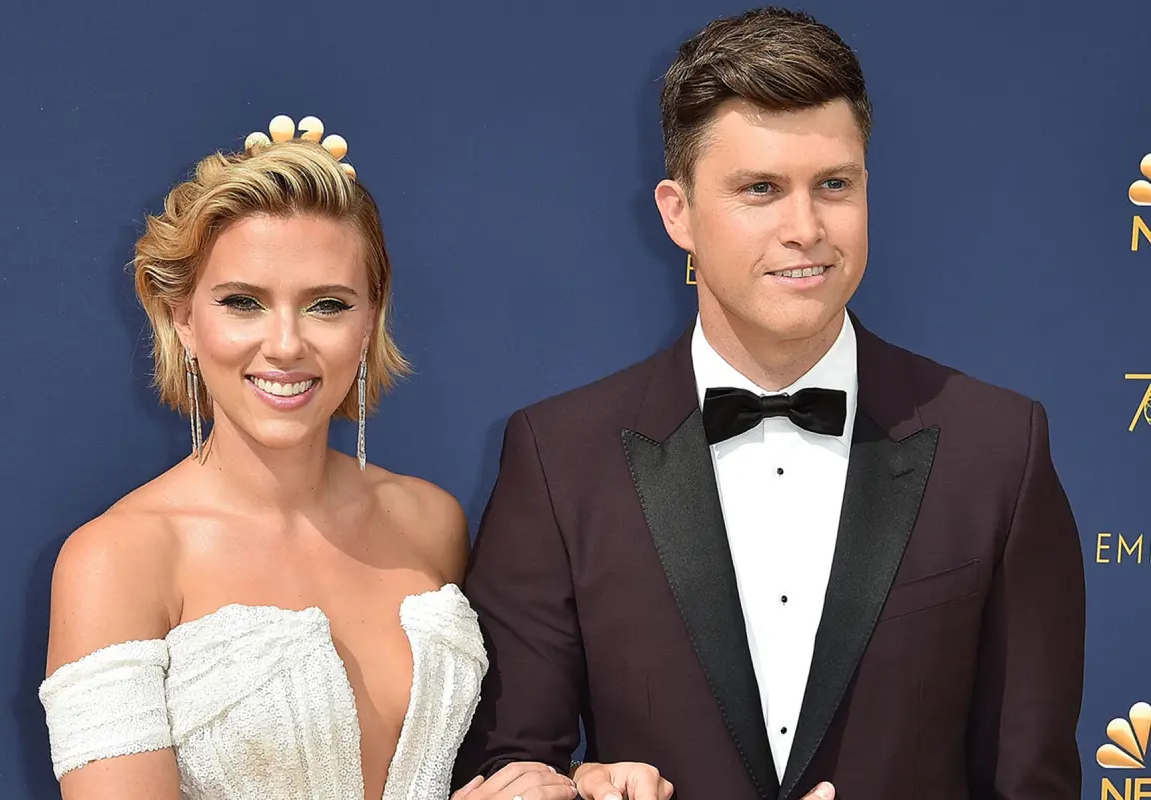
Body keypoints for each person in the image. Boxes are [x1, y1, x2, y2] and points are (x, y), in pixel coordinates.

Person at [453, 8, 1086, 800]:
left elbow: (1034, 785)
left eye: (834, 185)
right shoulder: (557, 458)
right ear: (676, 213)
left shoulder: (999, 449)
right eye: (760, 189)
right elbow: (509, 772)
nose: (805, 229)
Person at [38, 116, 576, 800]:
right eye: (243, 303)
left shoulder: (430, 522)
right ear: (182, 319)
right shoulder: (116, 560)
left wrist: (577, 784)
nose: (286, 344)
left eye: (326, 305)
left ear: (371, 319)